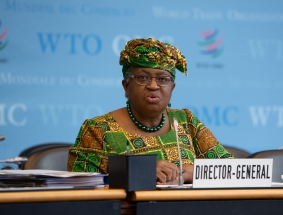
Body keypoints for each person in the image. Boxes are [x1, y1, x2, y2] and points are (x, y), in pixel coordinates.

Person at [67, 37, 234, 185]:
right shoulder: (98, 129)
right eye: (142, 78)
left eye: (163, 79)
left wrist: (187, 172)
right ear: (126, 86)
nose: (153, 86)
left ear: (172, 88)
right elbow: (80, 188)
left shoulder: (186, 121)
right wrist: (141, 173)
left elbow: (231, 170)